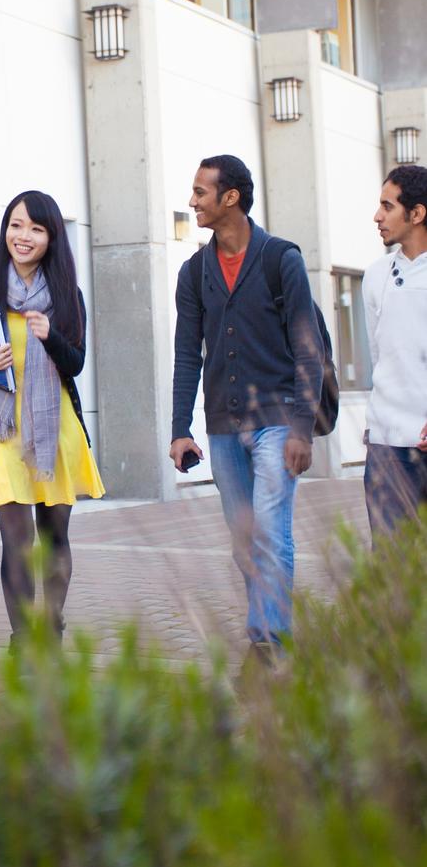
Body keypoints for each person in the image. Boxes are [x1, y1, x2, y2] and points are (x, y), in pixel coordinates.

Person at [169, 155, 324, 661]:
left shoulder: (282, 259)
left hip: (278, 422)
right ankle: (266, 631)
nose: (192, 201)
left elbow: (307, 349)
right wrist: (179, 428)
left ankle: (269, 640)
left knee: (270, 532)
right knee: (244, 540)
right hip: (222, 426)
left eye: (200, 192)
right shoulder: (194, 273)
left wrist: (303, 426)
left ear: (230, 197)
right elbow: (188, 353)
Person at [0, 190, 104, 647]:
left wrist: (51, 336)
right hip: (2, 427)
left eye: (36, 229)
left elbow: (76, 362)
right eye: (16, 225)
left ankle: (53, 627)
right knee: (16, 539)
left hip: (54, 426)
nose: (23, 236)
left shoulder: (65, 294)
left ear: (50, 238)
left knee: (54, 534)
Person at [362, 164, 427, 539]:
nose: (377, 216)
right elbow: (379, 354)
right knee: (390, 571)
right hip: (387, 447)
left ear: (416, 214)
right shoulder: (376, 275)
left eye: (387, 206)